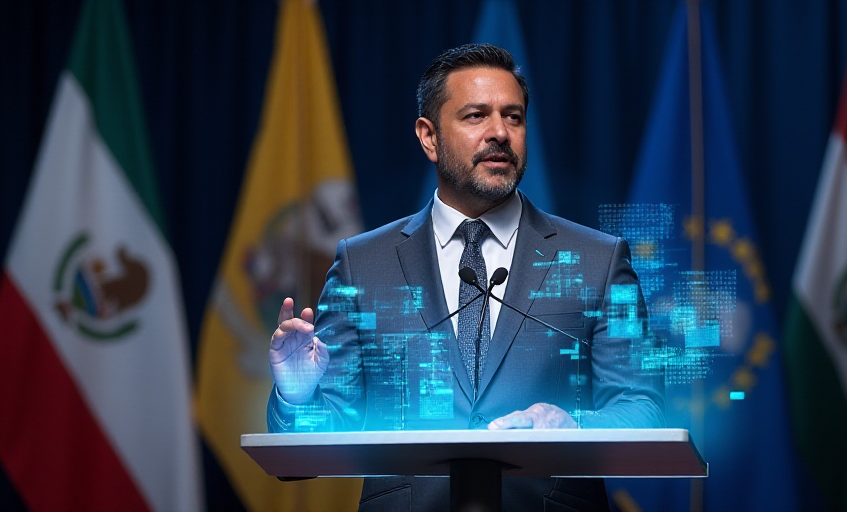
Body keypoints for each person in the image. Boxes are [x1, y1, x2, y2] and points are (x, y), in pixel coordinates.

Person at [267, 43, 663, 512]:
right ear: (428, 137)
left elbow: (643, 408)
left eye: (513, 117)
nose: (500, 132)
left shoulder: (598, 259)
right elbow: (314, 446)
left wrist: (574, 426)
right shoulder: (362, 263)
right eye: (476, 116)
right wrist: (296, 396)